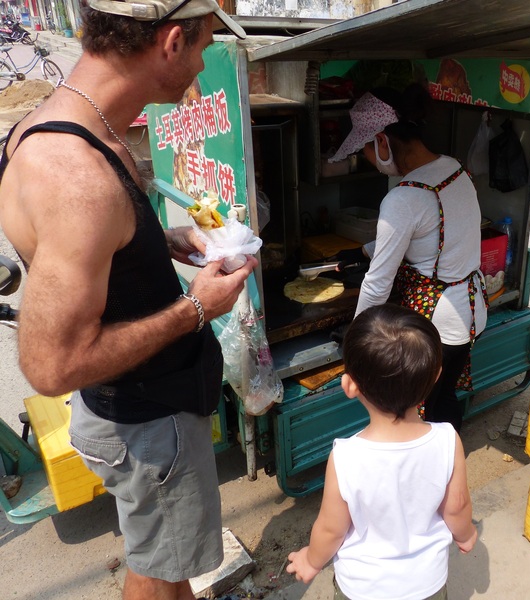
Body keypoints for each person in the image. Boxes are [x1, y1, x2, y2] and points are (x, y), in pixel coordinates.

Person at [0, 2, 251, 599]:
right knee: (158, 571)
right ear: (170, 42)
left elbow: (94, 250)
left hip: (142, 414)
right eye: (203, 45)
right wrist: (197, 309)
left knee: (164, 563)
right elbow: (50, 365)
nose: (201, 64)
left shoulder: (70, 123)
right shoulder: (76, 177)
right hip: (145, 423)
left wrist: (160, 240)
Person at [286, 304, 478, 599]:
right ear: (436, 375)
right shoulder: (448, 440)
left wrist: (311, 561)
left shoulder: (346, 457)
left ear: (349, 386)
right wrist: (466, 535)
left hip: (363, 588)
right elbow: (457, 506)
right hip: (427, 585)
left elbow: (330, 529)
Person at [329, 84, 488, 433]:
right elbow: (429, 236)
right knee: (444, 399)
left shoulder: (404, 198)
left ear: (383, 141)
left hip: (436, 325)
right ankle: (448, 463)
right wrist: (364, 250)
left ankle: (430, 475)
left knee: (416, 416)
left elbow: (376, 285)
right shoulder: (454, 169)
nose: (369, 161)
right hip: (470, 312)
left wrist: (356, 348)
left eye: (366, 151)